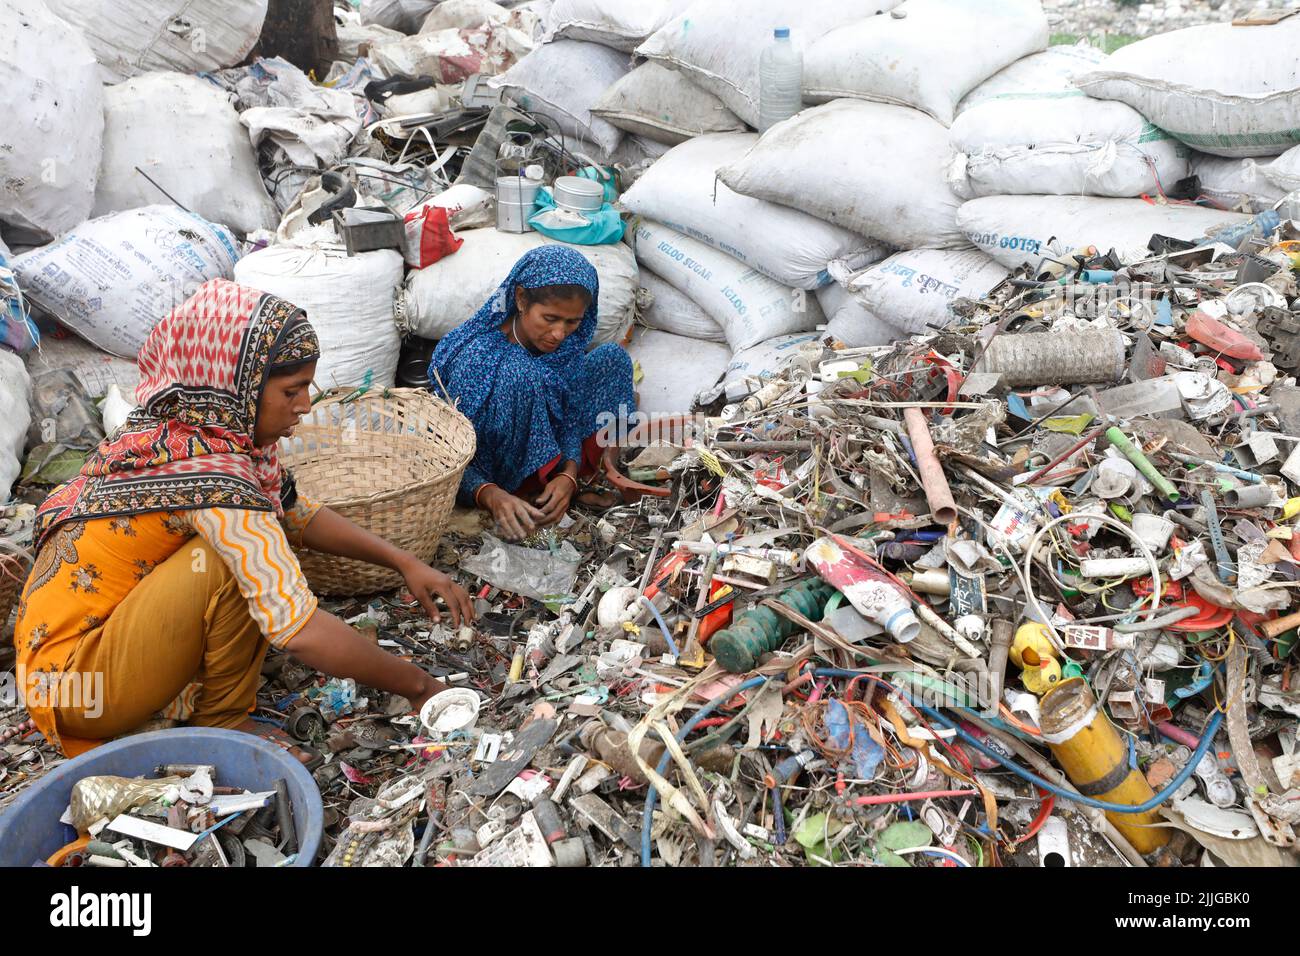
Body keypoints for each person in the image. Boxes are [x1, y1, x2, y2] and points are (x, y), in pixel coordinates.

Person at [12, 279, 474, 759]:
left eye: (307, 388)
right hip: (77, 691)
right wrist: (420, 687)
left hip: (72, 670)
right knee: (233, 555)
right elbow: (299, 631)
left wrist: (403, 561)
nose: (304, 405)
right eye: (292, 390)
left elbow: (293, 513)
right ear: (237, 387)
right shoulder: (215, 478)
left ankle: (196, 701)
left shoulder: (186, 429)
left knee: (252, 538)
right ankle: (225, 720)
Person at [428, 246, 636, 541]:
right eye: (550, 319)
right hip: (492, 472)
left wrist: (569, 474)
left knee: (612, 359)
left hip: (551, 450)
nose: (559, 334)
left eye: (572, 321)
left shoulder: (566, 346)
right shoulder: (479, 357)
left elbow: (570, 414)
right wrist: (489, 494)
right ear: (522, 299)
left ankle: (567, 484)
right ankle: (527, 491)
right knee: (522, 373)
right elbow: (446, 450)